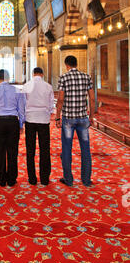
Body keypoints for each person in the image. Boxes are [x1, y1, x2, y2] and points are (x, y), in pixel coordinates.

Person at [55, 55, 95, 187]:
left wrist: (57, 116)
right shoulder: (86, 77)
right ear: (76, 64)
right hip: (83, 118)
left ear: (66, 65)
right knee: (85, 149)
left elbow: (60, 99)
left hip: (68, 119)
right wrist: (91, 116)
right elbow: (92, 98)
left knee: (67, 148)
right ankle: (86, 180)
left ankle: (69, 179)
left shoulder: (64, 77)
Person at [0, 69, 25, 187]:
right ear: (9, 78)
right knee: (13, 150)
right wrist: (21, 124)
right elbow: (21, 110)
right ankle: (12, 178)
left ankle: (2, 178)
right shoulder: (17, 91)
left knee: (0, 150)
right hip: (13, 121)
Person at [22, 67, 54, 186]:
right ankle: (44, 178)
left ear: (33, 74)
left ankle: (32, 178)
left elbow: (23, 103)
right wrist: (47, 112)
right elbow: (51, 104)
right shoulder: (48, 86)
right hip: (43, 120)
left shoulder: (26, 86)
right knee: (44, 149)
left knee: (30, 150)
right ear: (42, 74)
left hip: (30, 119)